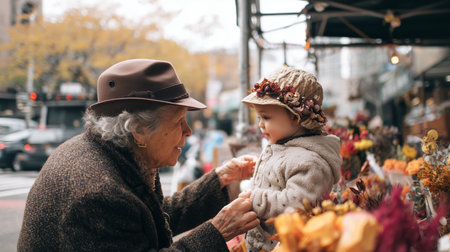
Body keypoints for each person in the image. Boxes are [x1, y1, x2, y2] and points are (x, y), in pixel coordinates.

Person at [17, 59, 259, 251]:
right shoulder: (100, 193)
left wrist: (218, 180)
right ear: (139, 130)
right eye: (178, 121)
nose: (188, 131)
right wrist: (216, 232)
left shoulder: (114, 154)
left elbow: (148, 219)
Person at [241, 66, 342, 252]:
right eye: (258, 117)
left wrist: (253, 199)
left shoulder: (310, 162)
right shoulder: (282, 147)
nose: (260, 124)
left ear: (296, 118)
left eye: (266, 117)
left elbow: (296, 206)